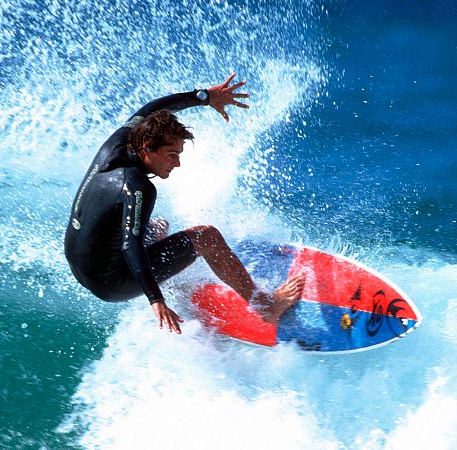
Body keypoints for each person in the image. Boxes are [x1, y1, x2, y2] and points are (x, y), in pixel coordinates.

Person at [64, 73, 304, 334]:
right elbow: (130, 244)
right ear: (147, 148)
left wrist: (204, 97)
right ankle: (266, 306)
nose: (176, 163)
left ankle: (163, 275)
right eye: (171, 155)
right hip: (111, 282)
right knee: (206, 237)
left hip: (80, 264)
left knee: (158, 226)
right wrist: (156, 300)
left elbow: (151, 109)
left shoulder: (118, 143)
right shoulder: (139, 188)